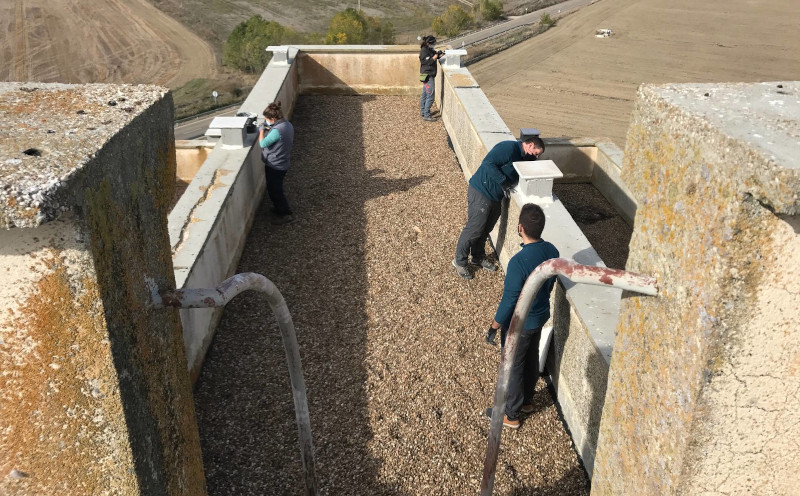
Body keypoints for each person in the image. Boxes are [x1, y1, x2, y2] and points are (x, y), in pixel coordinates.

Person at [485, 203, 559, 429]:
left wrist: (494, 325)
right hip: (540, 317)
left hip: (521, 323)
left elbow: (510, 301)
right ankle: (527, 400)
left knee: (514, 365)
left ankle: (512, 413)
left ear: (520, 228)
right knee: (530, 359)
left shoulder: (518, 263)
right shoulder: (552, 251)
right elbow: (552, 280)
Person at [452, 136, 545, 280]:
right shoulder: (508, 148)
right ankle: (459, 261)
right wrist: (503, 181)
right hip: (481, 190)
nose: (536, 157)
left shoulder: (525, 156)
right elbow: (488, 164)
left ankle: (478, 257)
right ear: (530, 145)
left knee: (486, 228)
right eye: (536, 153)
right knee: (474, 229)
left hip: (495, 196)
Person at [259, 101, 295, 225]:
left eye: (267, 119)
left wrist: (261, 131)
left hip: (275, 165)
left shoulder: (277, 131)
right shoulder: (287, 124)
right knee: (274, 188)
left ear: (272, 119)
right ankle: (278, 208)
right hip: (283, 162)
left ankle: (285, 213)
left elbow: (262, 144)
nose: (266, 121)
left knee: (276, 190)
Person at [419, 35, 442, 122]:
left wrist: (439, 55)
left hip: (427, 75)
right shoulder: (424, 51)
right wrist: (435, 56)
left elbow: (434, 55)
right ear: (429, 43)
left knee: (425, 94)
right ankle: (427, 115)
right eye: (434, 43)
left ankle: (423, 111)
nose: (434, 44)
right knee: (430, 96)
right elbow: (428, 62)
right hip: (428, 76)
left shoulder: (429, 49)